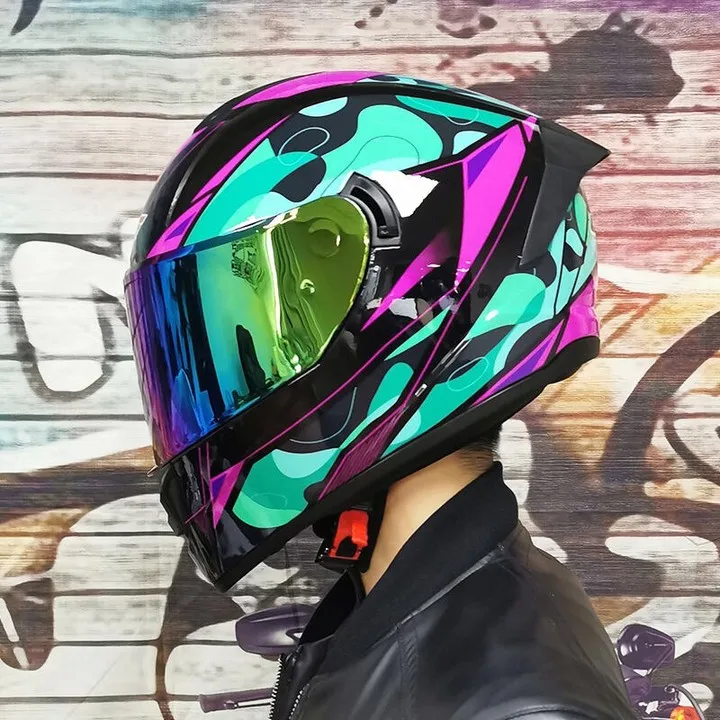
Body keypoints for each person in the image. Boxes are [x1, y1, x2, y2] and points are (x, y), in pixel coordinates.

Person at [124, 71, 637, 719]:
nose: (221, 380)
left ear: (399, 311)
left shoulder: (520, 708)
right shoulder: (396, 597)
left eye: (249, 339)